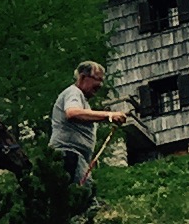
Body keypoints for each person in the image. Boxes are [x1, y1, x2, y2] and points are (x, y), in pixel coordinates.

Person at [50, 60, 130, 194]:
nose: (100, 84)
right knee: (85, 194)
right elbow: (72, 112)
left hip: (75, 156)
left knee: (75, 195)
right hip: (69, 154)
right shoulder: (74, 93)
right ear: (82, 77)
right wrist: (108, 116)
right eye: (97, 79)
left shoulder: (81, 98)